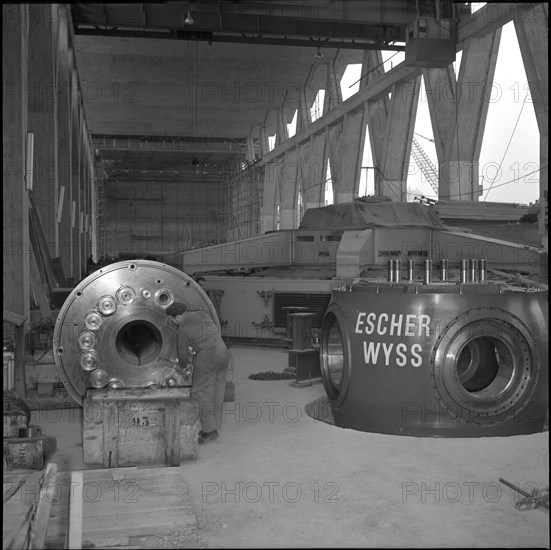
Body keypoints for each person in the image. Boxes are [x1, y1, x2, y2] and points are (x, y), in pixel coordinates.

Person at [166, 302, 230, 444]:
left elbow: (182, 356)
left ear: (177, 317)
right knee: (217, 391)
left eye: (172, 319)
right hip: (223, 350)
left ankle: (208, 431)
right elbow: (209, 332)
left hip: (207, 356)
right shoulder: (202, 313)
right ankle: (215, 427)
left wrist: (182, 366)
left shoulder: (182, 329)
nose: (171, 322)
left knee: (201, 392)